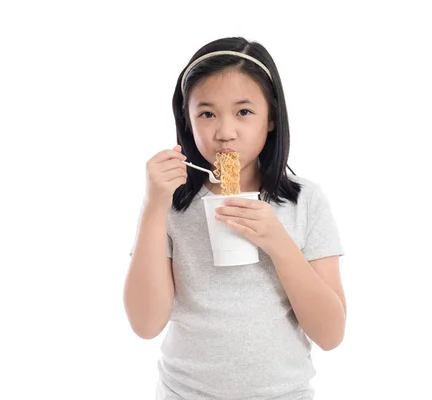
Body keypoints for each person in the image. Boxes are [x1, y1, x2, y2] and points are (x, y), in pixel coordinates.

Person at [124, 36, 347, 400]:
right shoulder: (170, 204)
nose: (225, 132)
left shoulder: (305, 201)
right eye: (207, 113)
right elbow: (146, 325)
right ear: (187, 119)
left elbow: (331, 334)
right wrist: (153, 208)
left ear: (272, 118)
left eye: (244, 112)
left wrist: (278, 242)